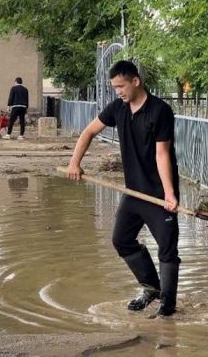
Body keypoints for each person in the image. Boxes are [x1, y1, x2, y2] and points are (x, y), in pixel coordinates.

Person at [66, 60, 180, 317]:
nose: (118, 91)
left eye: (121, 86)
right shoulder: (118, 108)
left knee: (167, 249)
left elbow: (162, 154)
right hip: (133, 193)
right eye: (114, 87)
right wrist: (75, 163)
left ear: (135, 81)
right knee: (122, 240)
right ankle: (152, 289)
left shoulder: (160, 110)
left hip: (159, 195)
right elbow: (88, 132)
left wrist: (170, 194)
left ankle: (168, 308)